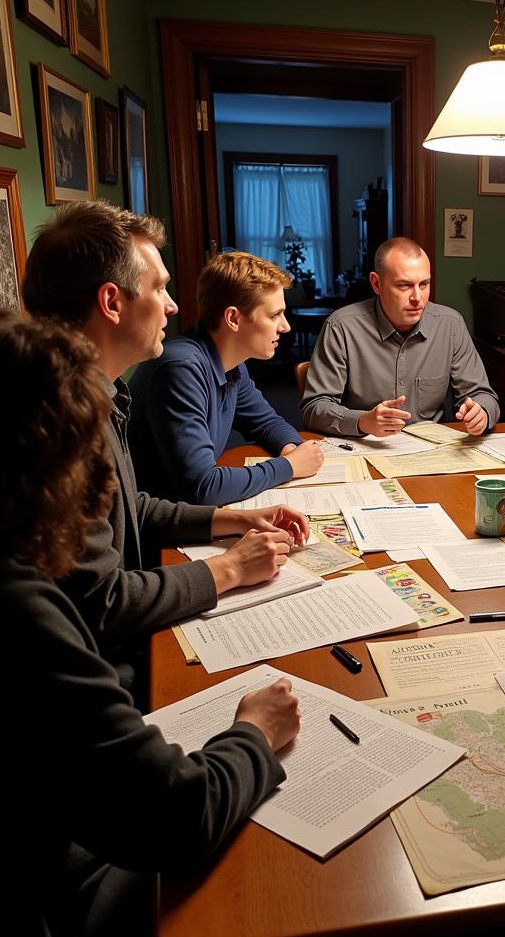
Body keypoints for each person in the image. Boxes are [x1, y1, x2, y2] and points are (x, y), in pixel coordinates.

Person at [0, 309, 302, 937]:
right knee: (281, 886)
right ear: (35, 465)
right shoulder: (16, 609)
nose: (99, 494)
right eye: (80, 457)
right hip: (54, 905)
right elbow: (177, 816)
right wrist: (254, 733)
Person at [22, 200, 309, 678]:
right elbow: (102, 604)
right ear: (113, 303)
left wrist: (235, 517)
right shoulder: (61, 429)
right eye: (159, 288)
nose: (174, 306)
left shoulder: (102, 393)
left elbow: (133, 507)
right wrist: (231, 569)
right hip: (112, 670)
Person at [128, 251, 323, 505]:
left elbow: (265, 423)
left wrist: (290, 448)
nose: (285, 326)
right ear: (233, 318)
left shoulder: (231, 362)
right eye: (275, 315)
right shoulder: (180, 369)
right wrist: (288, 466)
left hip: (190, 516)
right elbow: (202, 487)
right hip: (158, 530)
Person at [300, 237, 500, 437]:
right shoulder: (341, 327)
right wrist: (362, 421)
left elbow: (483, 395)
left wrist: (480, 412)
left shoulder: (450, 324)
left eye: (424, 284)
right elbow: (314, 408)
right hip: (366, 446)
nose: (417, 298)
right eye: (404, 285)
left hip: (430, 452)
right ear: (376, 283)